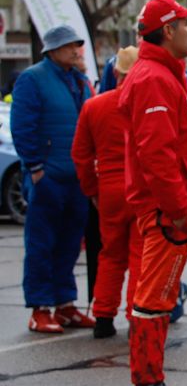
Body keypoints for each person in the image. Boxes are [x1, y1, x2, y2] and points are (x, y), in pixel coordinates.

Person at [119, 0, 187, 386]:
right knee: (153, 302)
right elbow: (156, 152)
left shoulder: (161, 74)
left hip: (164, 209)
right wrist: (177, 208)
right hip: (165, 212)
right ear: (168, 30)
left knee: (155, 299)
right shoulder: (155, 77)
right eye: (186, 25)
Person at [10, 24, 95, 333]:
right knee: (42, 244)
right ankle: (40, 308)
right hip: (48, 177)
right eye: (69, 45)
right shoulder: (33, 79)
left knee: (70, 244)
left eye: (77, 44)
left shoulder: (80, 80)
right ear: (52, 50)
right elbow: (22, 127)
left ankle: (64, 304)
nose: (75, 50)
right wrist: (35, 167)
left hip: (76, 178)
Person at [72, 46, 140, 339]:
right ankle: (137, 317)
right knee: (140, 256)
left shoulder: (94, 106)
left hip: (109, 189)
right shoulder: (146, 104)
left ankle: (103, 316)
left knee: (110, 255)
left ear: (115, 72)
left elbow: (80, 155)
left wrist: (92, 190)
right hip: (140, 188)